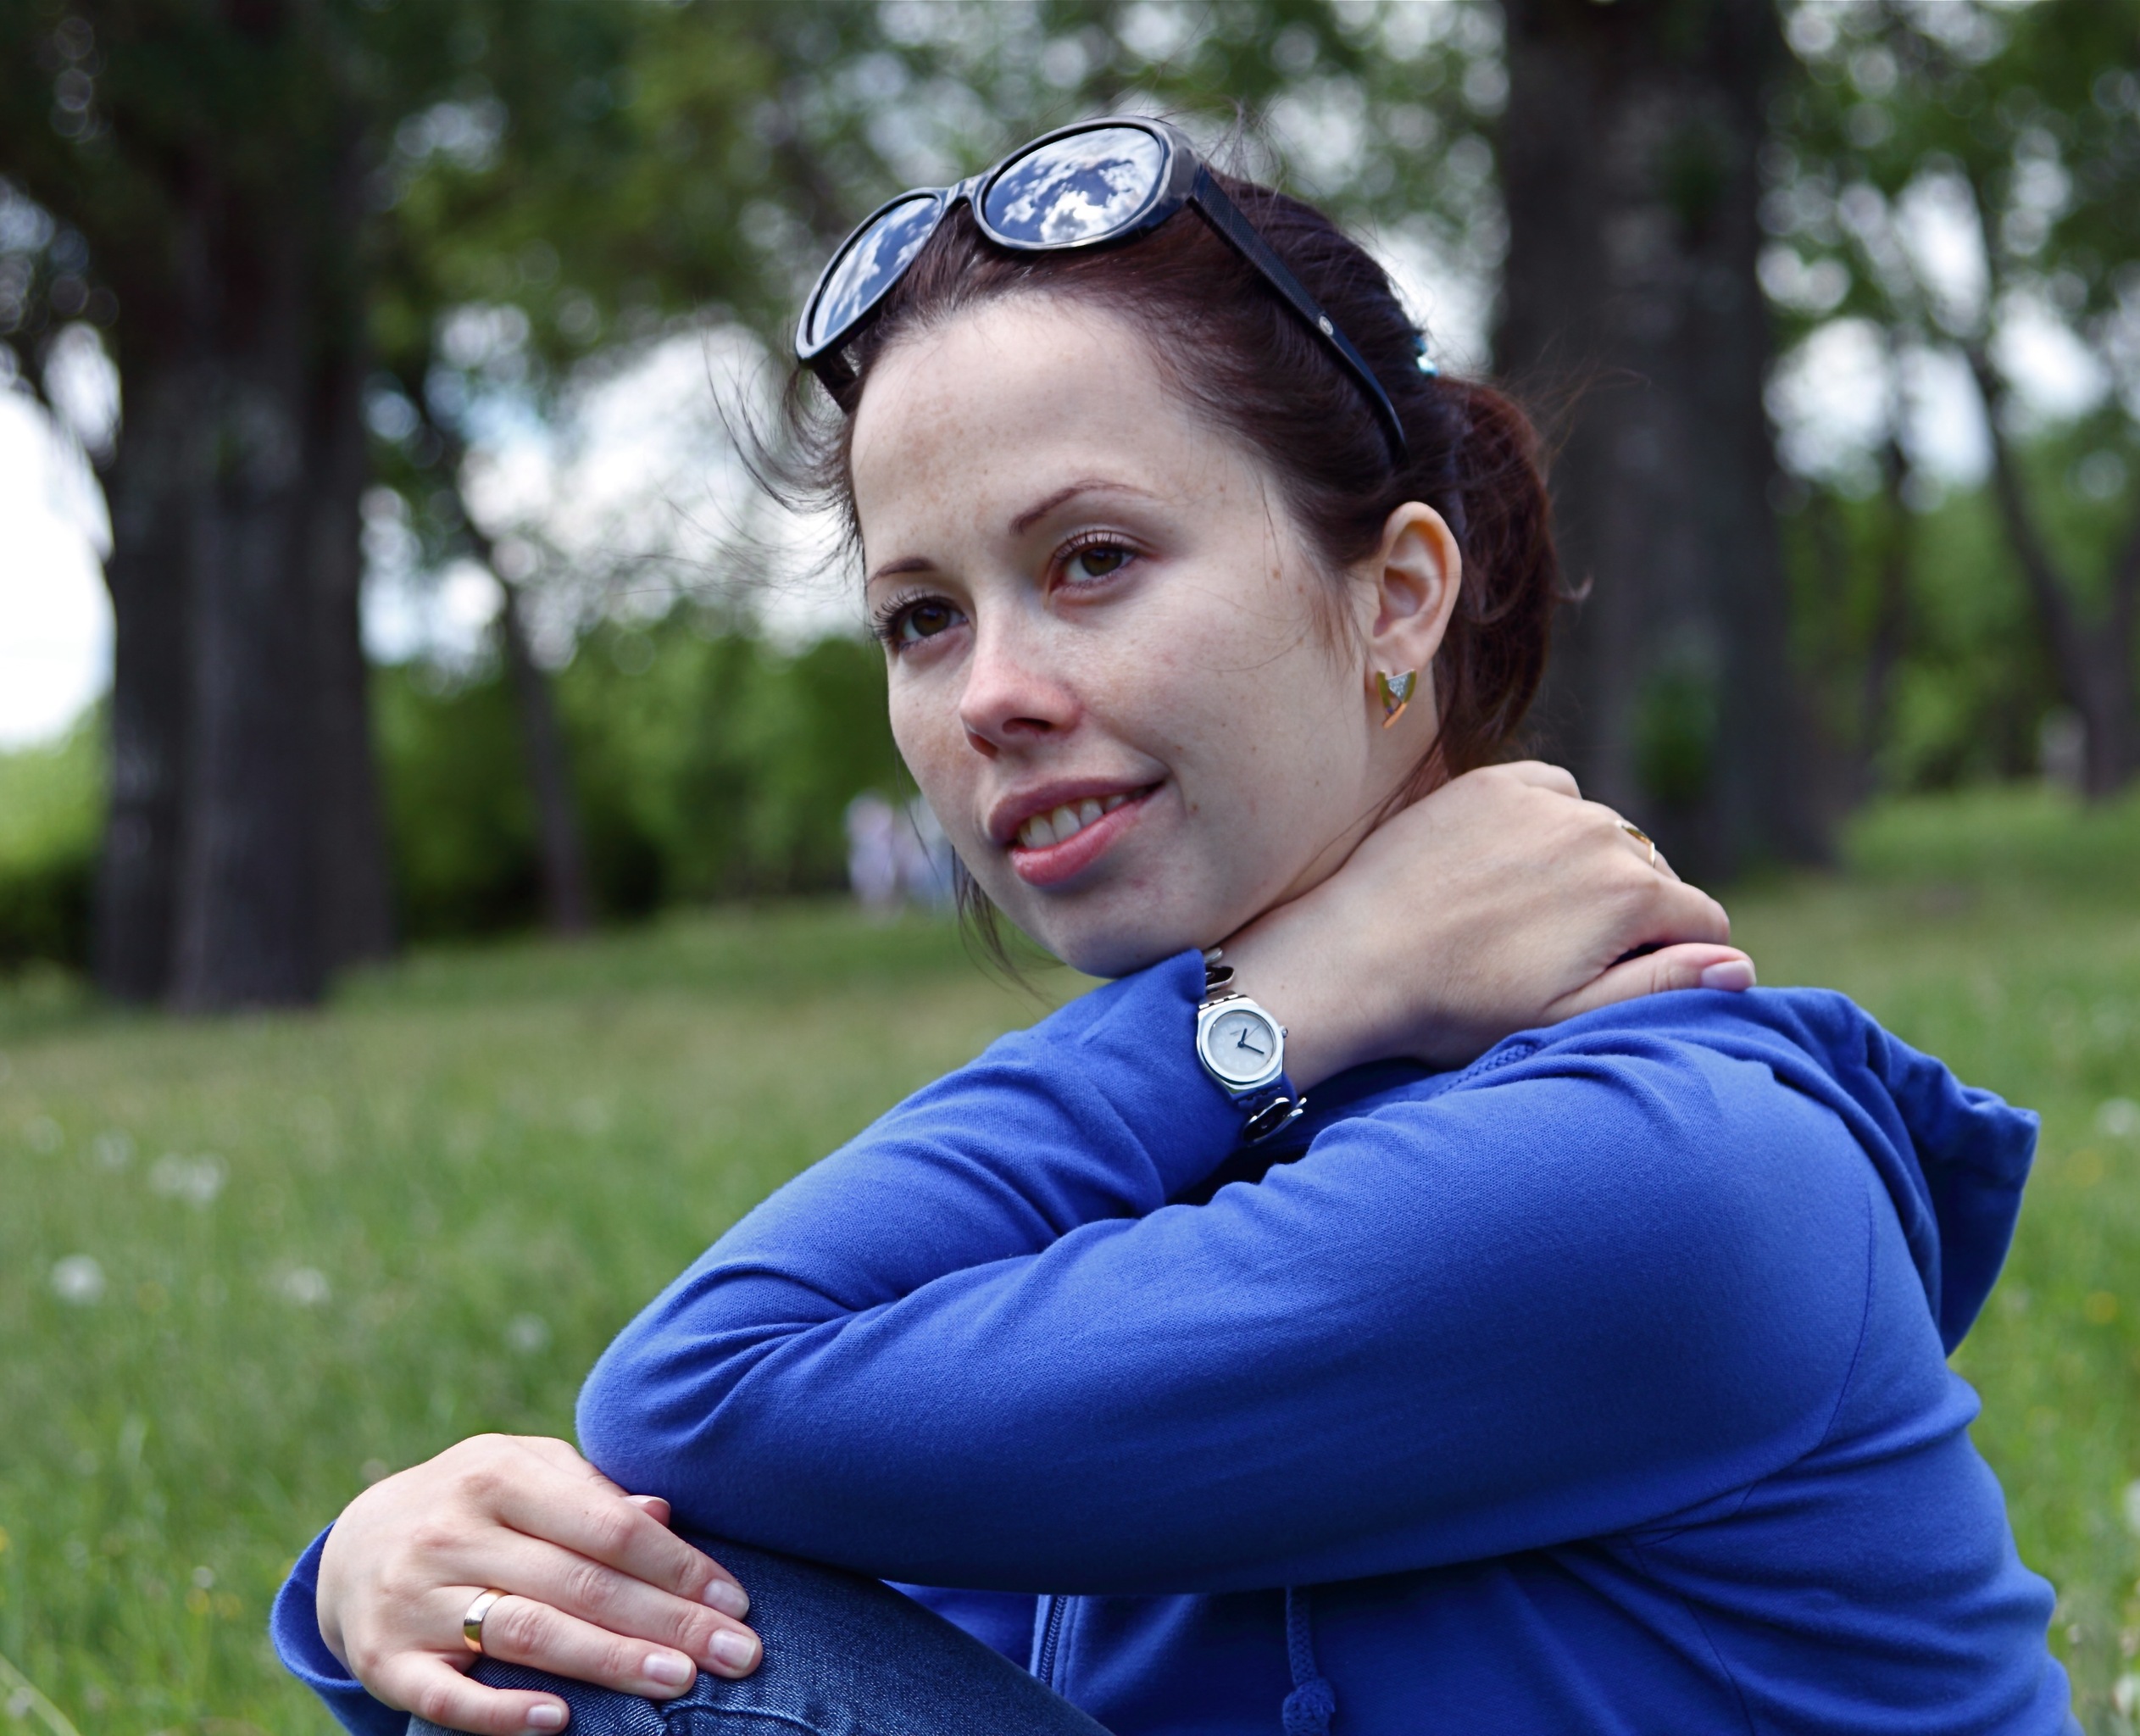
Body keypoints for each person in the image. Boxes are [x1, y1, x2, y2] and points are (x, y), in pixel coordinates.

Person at [273, 119, 2067, 1735]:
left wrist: (1250, 1008)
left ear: (1398, 596)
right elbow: (753, 1562)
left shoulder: (1647, 1164)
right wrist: (388, 1571)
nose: (990, 694)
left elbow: (706, 1391)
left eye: (1093, 559)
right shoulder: (1196, 1135)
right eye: (919, 617)